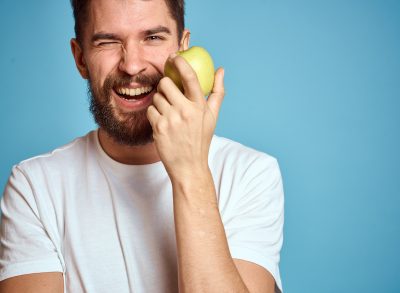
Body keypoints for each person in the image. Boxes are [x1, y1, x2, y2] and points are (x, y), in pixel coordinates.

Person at [0, 0, 284, 292]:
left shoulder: (251, 174)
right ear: (80, 58)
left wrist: (191, 173)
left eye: (152, 38)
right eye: (108, 42)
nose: (132, 65)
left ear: (183, 48)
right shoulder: (34, 187)